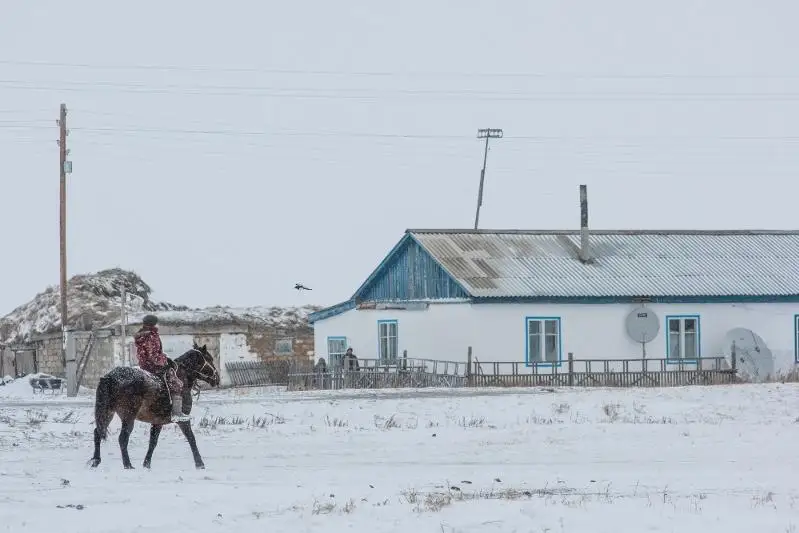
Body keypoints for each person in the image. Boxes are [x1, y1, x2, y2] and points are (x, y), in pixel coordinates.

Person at [134, 314, 189, 422]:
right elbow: (153, 355)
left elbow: (146, 354)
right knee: (176, 383)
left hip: (144, 365)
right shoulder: (151, 336)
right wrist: (165, 360)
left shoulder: (141, 335)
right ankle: (176, 413)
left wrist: (163, 357)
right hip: (153, 366)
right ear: (154, 324)